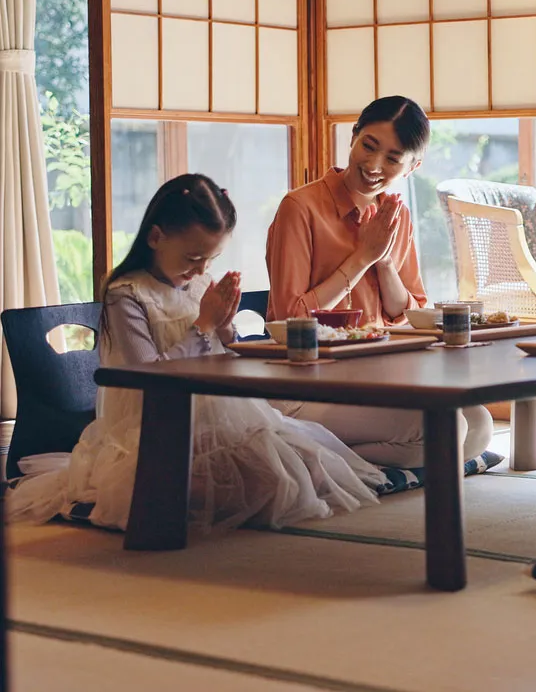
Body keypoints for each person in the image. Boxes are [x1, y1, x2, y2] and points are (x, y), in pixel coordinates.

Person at [7, 174, 387, 531]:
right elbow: (149, 375)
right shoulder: (127, 294)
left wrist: (224, 325)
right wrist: (204, 325)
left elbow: (223, 350)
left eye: (210, 259)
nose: (201, 269)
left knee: (306, 468)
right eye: (192, 258)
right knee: (253, 487)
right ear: (156, 237)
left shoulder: (199, 282)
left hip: (220, 415)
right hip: (155, 425)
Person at [265, 96, 493, 468]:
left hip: (376, 377)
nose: (373, 165)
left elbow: (412, 312)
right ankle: (314, 459)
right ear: (353, 137)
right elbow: (290, 319)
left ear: (412, 166)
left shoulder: (394, 215)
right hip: (308, 385)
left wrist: (385, 263)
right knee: (446, 428)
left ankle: (328, 460)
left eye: (392, 158)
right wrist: (362, 258)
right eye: (368, 146)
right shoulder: (300, 208)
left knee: (480, 424)